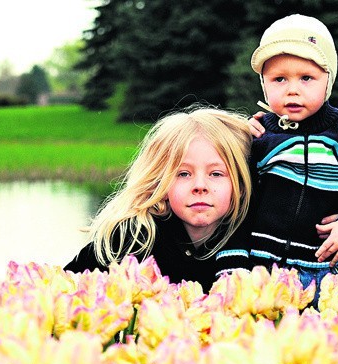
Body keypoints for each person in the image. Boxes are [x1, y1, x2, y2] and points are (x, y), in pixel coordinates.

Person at [216, 14, 338, 292]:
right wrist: (234, 262)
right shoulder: (256, 136)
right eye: (279, 79)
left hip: (329, 267)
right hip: (263, 266)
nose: (292, 90)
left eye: (306, 78)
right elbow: (237, 203)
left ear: (328, 80)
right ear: (263, 84)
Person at [65, 106, 253, 293]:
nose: (200, 186)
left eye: (216, 173)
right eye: (184, 173)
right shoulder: (132, 238)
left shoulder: (256, 237)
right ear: (160, 182)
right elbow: (66, 290)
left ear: (240, 184)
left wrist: (267, 129)